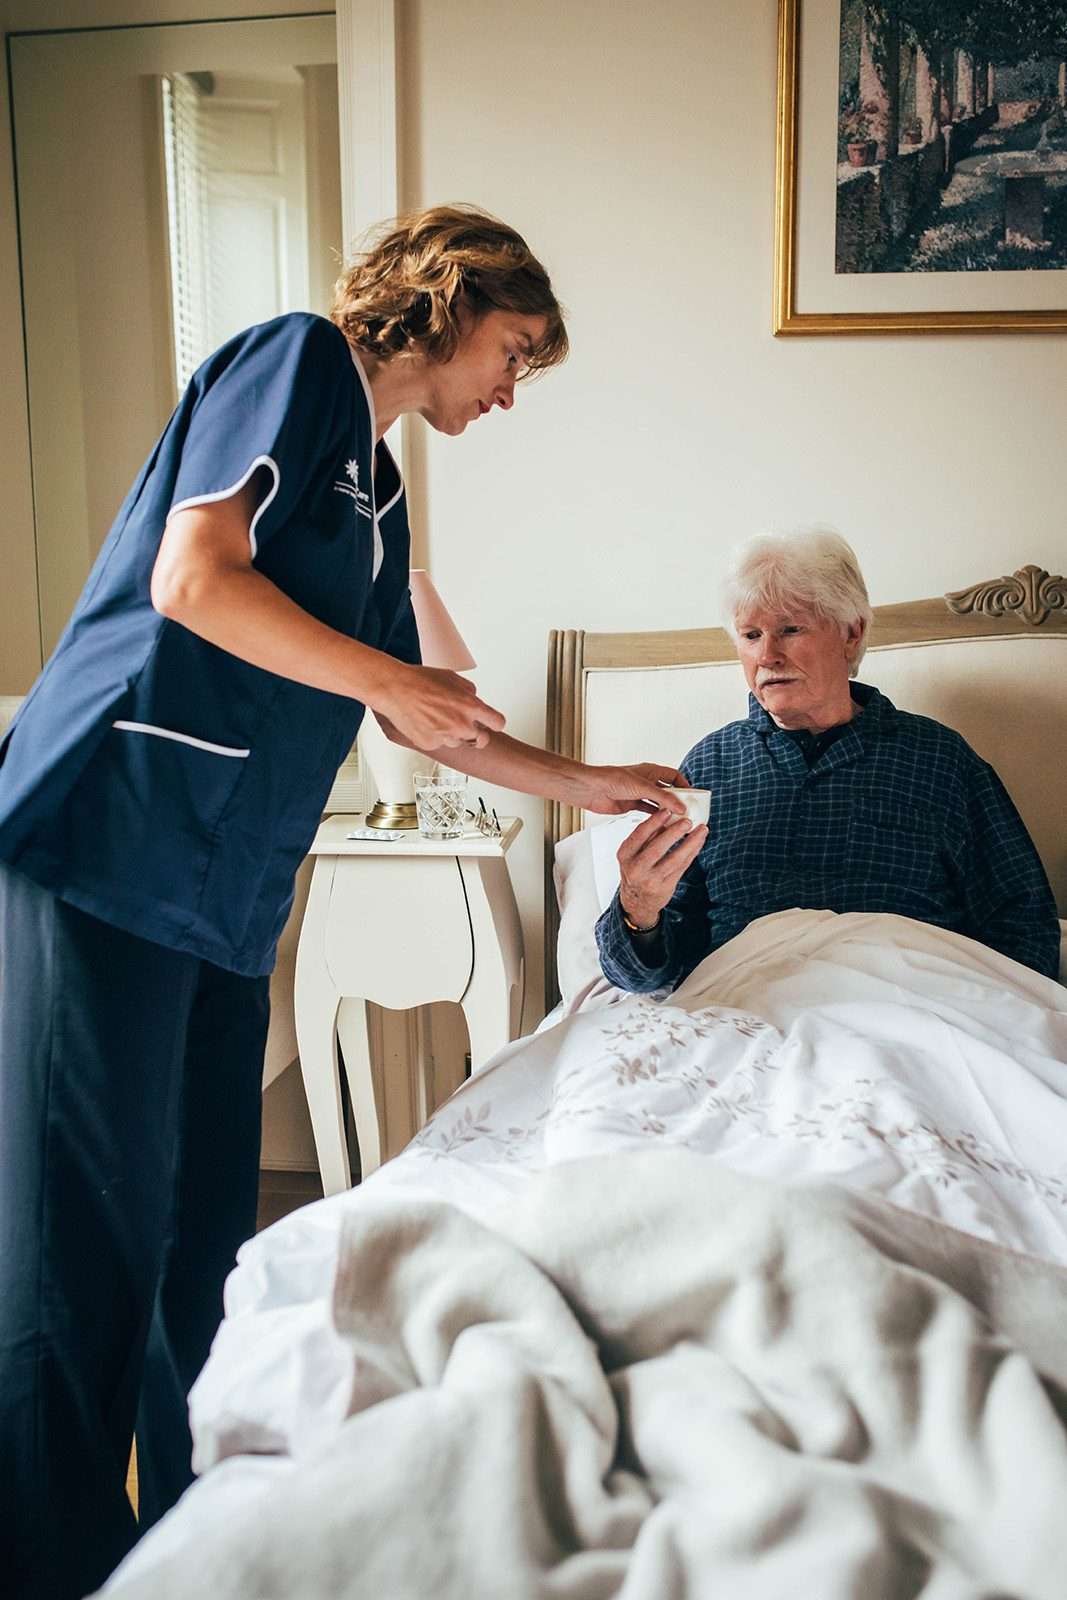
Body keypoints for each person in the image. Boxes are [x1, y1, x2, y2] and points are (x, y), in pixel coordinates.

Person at [0, 204, 686, 1600]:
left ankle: (198, 1542)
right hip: (112, 842)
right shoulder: (298, 363)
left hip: (224, 884)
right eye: (514, 348)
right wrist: (385, 679)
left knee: (199, 1243)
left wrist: (585, 779)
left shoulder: (375, 487)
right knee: (87, 1247)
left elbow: (430, 719)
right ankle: (51, 1560)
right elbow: (192, 582)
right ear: (445, 302)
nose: (512, 385)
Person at [597, 529, 1060, 993]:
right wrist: (638, 909)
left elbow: (1025, 929)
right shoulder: (710, 766)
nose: (767, 655)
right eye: (751, 635)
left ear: (851, 632)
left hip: (911, 1012)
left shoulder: (941, 760)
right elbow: (646, 976)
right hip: (744, 1016)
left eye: (790, 629)